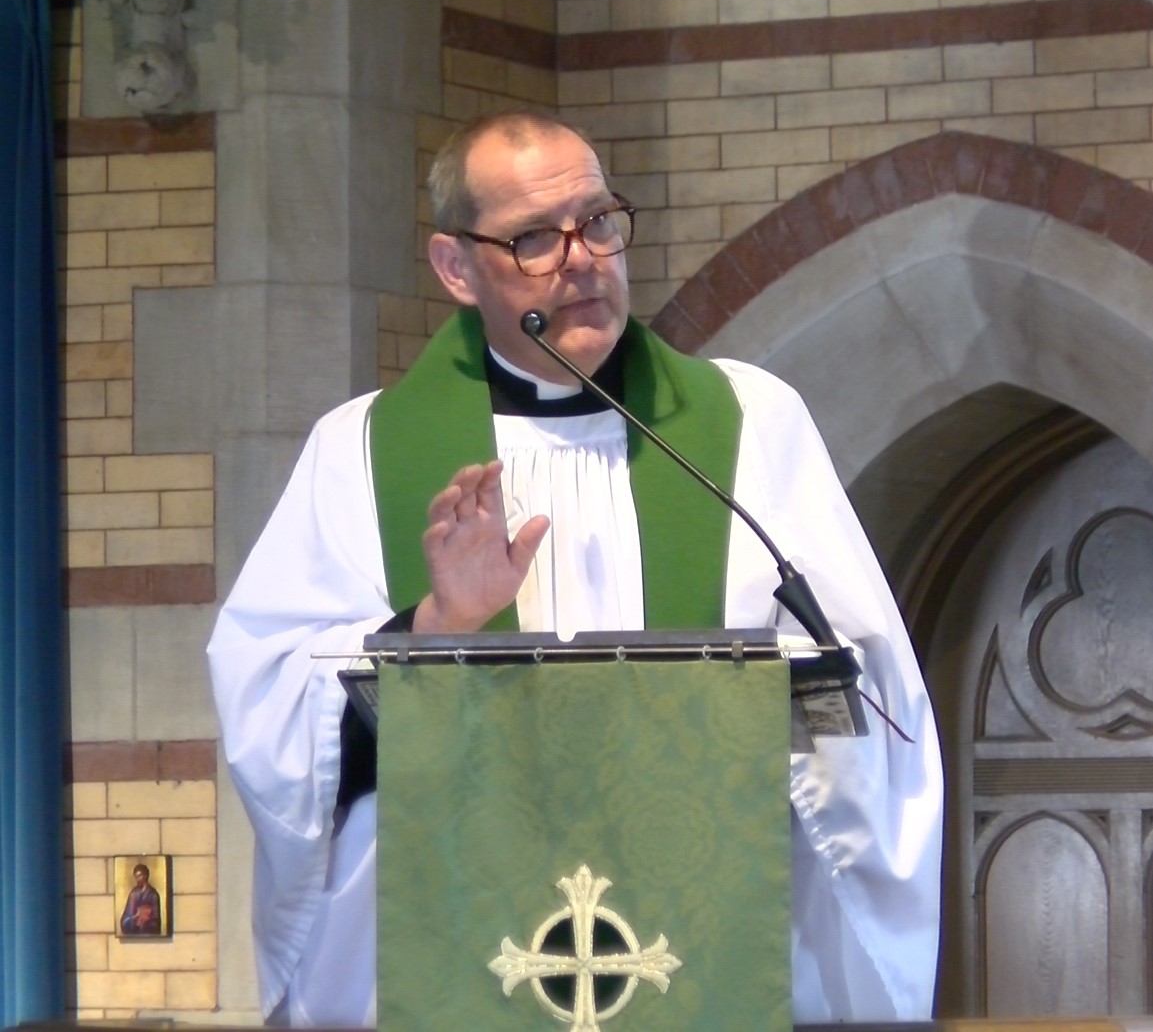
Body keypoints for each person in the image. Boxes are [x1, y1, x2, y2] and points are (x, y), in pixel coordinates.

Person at [208, 109, 943, 1027]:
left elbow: (869, 693)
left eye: (597, 221)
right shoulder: (360, 449)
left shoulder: (749, 424)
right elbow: (269, 702)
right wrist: (436, 628)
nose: (583, 258)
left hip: (705, 940)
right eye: (532, 238)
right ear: (453, 268)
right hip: (452, 959)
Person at [120, 863, 161, 935]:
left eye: (139, 876)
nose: (137, 879)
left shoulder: (153, 894)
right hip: (134, 932)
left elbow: (156, 920)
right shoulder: (133, 893)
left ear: (145, 876)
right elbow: (125, 919)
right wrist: (135, 917)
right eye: (136, 877)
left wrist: (146, 919)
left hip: (147, 932)